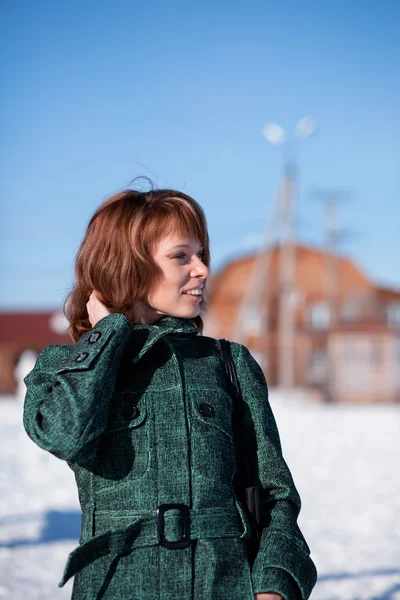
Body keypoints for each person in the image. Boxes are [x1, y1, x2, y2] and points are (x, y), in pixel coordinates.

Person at [23, 187, 317, 600]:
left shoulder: (228, 363)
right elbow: (61, 434)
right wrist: (107, 336)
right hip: (117, 587)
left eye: (201, 255)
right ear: (129, 266)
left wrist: (275, 586)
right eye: (181, 256)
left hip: (225, 585)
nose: (202, 270)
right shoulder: (65, 366)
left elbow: (276, 494)